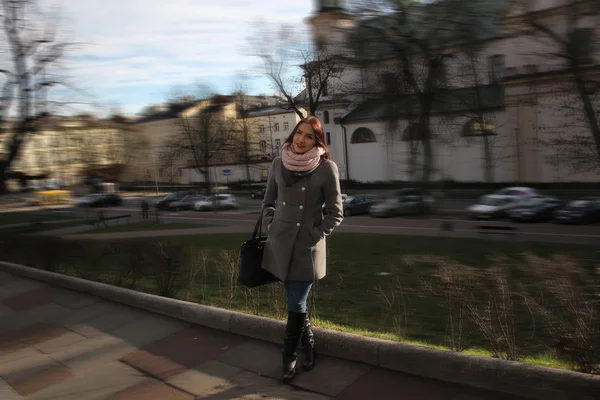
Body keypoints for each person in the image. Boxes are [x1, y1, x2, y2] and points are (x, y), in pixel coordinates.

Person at [261, 116, 344, 383]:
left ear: (317, 142)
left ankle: (288, 355)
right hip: (280, 244)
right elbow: (268, 202)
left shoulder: (326, 169)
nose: (301, 139)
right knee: (296, 304)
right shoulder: (278, 163)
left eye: (309, 136)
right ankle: (308, 342)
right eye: (299, 133)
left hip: (306, 248)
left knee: (296, 302)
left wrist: (315, 234)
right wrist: (270, 225)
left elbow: (335, 213)